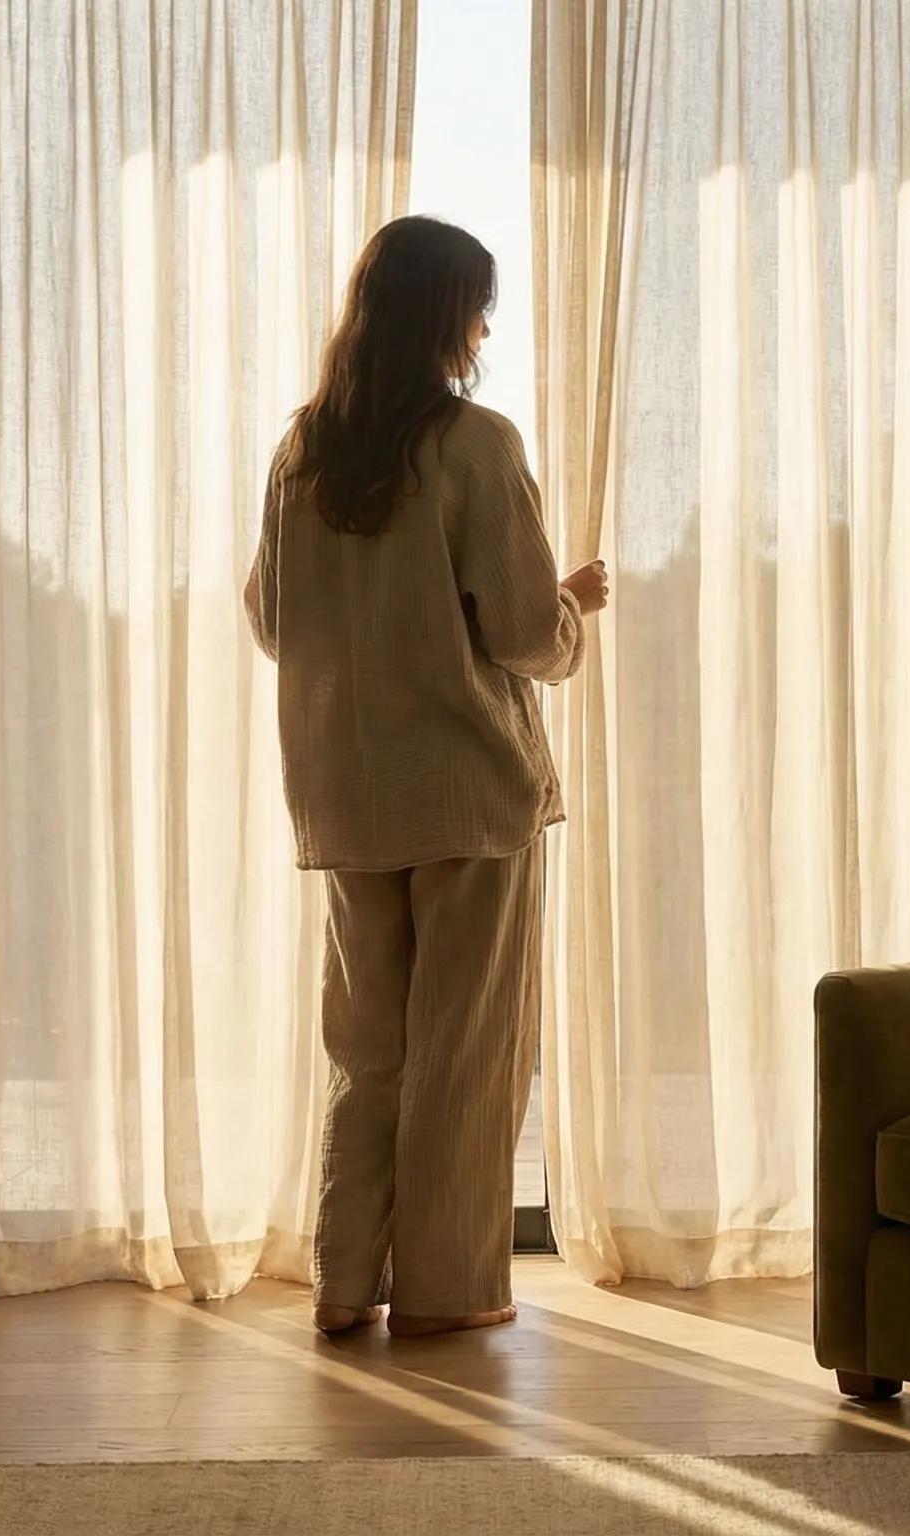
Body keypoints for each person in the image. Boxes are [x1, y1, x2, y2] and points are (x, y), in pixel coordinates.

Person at [243, 215, 609, 1339]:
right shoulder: (476, 446)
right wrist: (572, 612)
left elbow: (267, 618)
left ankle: (344, 1285)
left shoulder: (305, 450)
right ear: (448, 316)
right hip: (467, 795)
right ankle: (451, 1294)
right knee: (465, 1052)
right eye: (478, 306)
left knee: (368, 1054)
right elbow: (518, 634)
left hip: (347, 797)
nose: (486, 327)